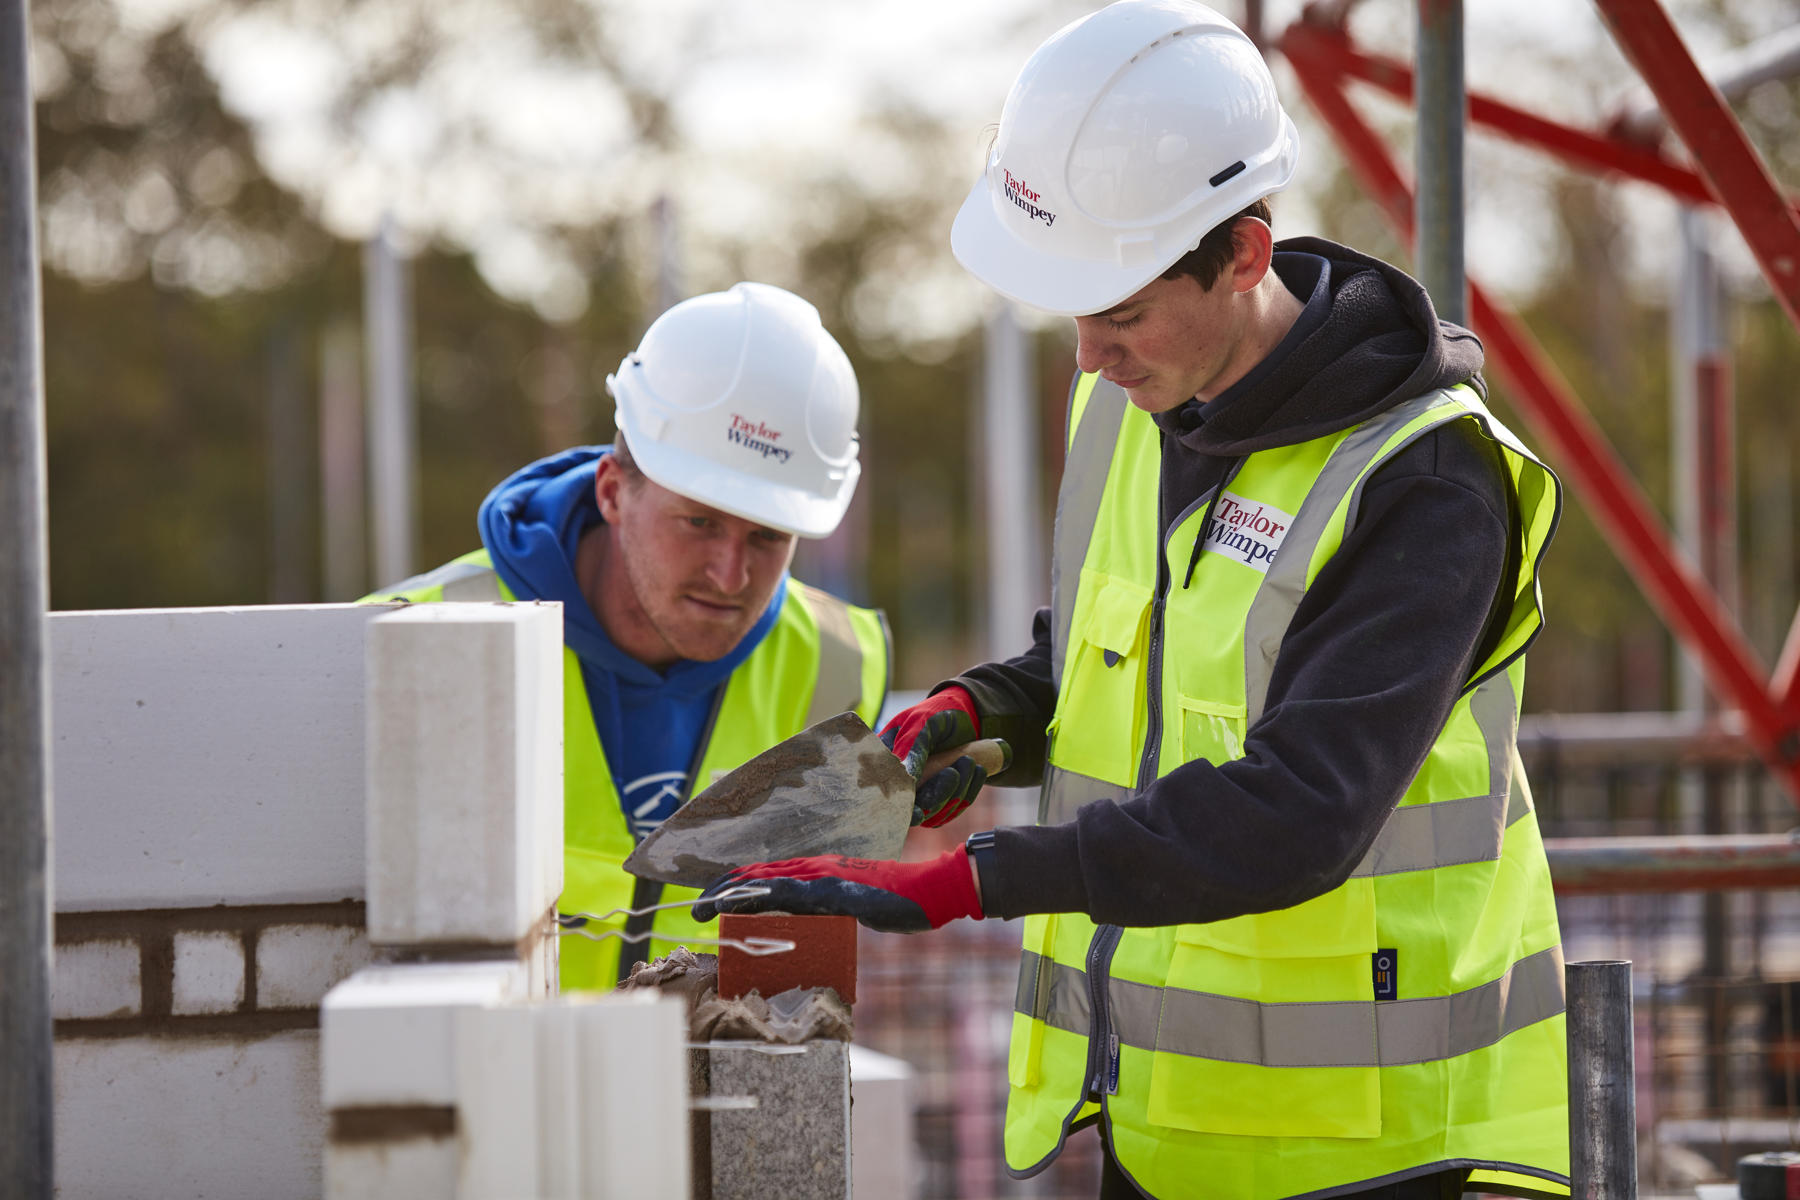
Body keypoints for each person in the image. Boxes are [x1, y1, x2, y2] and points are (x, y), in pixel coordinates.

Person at [693, 5, 1570, 1198]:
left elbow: (1305, 807)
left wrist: (974, 880)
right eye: (1076, 313)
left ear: (1247, 254)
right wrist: (979, 707)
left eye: (1121, 311)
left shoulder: (1424, 479)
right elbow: (1113, 665)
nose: (1089, 356)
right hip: (1167, 1133)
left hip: (1385, 1148)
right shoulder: (1131, 404)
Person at [367, 282, 891, 991]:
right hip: (476, 1091)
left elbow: (801, 979)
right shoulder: (406, 638)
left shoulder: (839, 665)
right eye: (700, 522)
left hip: (710, 1101)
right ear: (613, 491)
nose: (731, 574)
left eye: (767, 536)